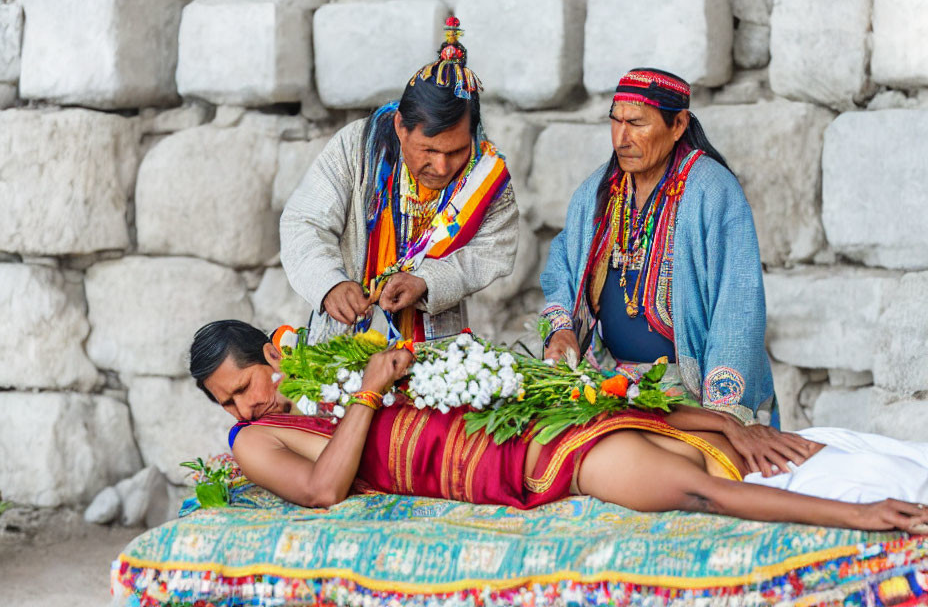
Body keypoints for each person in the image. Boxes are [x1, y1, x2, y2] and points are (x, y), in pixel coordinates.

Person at [187, 320, 928, 534]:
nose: (242, 408)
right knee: (691, 489)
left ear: (272, 357)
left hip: (510, 420)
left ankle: (748, 437)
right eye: (225, 402)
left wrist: (732, 421)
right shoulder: (257, 440)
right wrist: (371, 395)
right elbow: (321, 490)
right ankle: (858, 507)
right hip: (512, 465)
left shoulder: (327, 368)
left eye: (245, 386)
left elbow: (582, 398)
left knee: (633, 413)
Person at [539, 68, 773, 429]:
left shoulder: (712, 191)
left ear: (678, 124)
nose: (621, 138)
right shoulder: (599, 191)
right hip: (608, 384)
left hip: (690, 395)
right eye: (615, 122)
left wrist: (722, 416)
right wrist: (562, 329)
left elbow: (737, 303)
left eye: (636, 123)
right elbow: (562, 266)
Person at [280, 16, 517, 343]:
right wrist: (329, 284)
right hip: (345, 335)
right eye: (429, 150)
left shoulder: (485, 175)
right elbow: (304, 221)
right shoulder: (357, 148)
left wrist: (429, 281)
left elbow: (495, 249)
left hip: (435, 347)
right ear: (400, 127)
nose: (442, 166)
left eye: (457, 150)